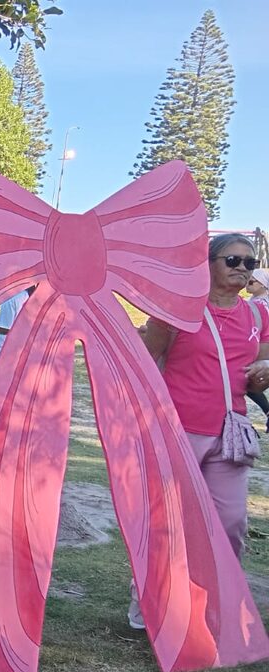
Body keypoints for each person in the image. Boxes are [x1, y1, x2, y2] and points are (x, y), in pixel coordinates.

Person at [137, 233, 269, 628]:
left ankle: (214, 607)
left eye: (249, 262)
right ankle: (152, 607)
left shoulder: (259, 316)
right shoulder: (178, 312)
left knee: (230, 524)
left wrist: (263, 375)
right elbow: (147, 360)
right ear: (207, 264)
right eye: (233, 260)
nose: (243, 269)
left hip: (230, 433)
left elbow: (257, 372)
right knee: (168, 523)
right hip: (178, 429)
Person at [244, 268, 269, 424]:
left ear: (264, 285)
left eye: (252, 281)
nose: (248, 283)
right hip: (257, 348)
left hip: (260, 349)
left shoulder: (261, 304)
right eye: (248, 279)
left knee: (246, 380)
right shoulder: (253, 301)